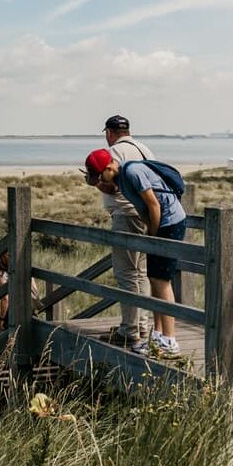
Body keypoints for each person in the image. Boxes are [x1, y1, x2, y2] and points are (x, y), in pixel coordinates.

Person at [84, 148, 186, 359]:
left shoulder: (132, 172)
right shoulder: (120, 179)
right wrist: (149, 228)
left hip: (170, 222)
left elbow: (154, 205)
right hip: (161, 224)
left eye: (100, 175)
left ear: (110, 166)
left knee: (162, 282)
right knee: (154, 278)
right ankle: (158, 336)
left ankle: (170, 341)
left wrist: (154, 237)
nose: (100, 179)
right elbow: (142, 208)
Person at [91, 115, 155, 350]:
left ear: (109, 132)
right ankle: (141, 326)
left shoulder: (115, 154)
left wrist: (94, 181)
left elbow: (112, 186)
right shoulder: (145, 150)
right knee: (141, 273)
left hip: (126, 216)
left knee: (127, 274)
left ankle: (128, 331)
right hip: (147, 216)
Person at [0, 250, 42, 329]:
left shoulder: (4, 274)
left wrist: (1, 319)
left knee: (11, 338)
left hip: (13, 314)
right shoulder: (23, 269)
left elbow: (5, 299)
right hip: (29, 309)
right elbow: (35, 291)